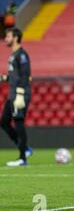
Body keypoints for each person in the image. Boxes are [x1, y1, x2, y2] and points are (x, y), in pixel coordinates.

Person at [0, 27, 33, 166]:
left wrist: (20, 94)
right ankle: (24, 148)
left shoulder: (22, 55)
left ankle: (22, 158)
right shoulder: (13, 55)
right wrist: (3, 78)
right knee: (4, 122)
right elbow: (15, 75)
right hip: (12, 94)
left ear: (15, 38)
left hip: (19, 94)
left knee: (18, 122)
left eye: (8, 36)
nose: (5, 39)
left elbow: (25, 76)